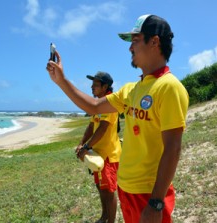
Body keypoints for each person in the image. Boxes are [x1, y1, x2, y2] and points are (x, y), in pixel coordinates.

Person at [46, 14, 189, 223]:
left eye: (135, 41)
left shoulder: (169, 87)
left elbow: (173, 149)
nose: (130, 48)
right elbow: (94, 106)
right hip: (126, 188)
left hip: (148, 193)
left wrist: (156, 202)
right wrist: (62, 81)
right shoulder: (131, 90)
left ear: (155, 42)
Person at [76, 72, 122, 223]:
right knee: (100, 186)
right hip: (97, 153)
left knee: (108, 191)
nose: (92, 87)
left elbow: (102, 128)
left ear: (105, 86)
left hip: (109, 154)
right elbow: (91, 125)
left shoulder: (110, 102)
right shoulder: (99, 104)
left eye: (95, 85)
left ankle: (111, 221)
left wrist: (87, 146)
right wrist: (82, 143)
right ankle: (104, 216)